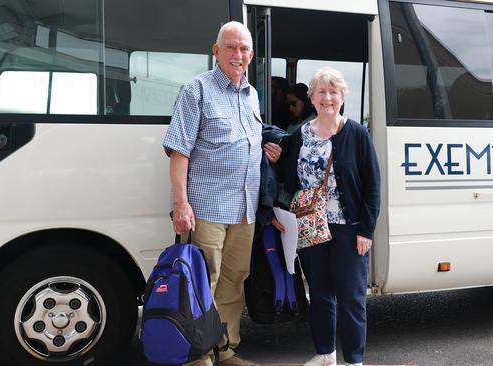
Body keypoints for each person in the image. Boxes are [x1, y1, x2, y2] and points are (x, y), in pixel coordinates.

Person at [163, 21, 280, 366]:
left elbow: (243, 141)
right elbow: (179, 152)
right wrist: (181, 203)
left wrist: (266, 148)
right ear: (216, 51)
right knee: (202, 284)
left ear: (251, 54)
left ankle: (224, 349)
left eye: (244, 49)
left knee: (233, 281)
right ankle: (197, 356)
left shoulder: (252, 94)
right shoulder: (195, 90)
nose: (238, 55)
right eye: (231, 47)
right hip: (206, 208)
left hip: (244, 208)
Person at [274, 67, 380, 366]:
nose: (328, 98)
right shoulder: (299, 136)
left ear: (343, 96)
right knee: (320, 296)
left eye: (334, 92)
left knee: (351, 299)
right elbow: (287, 180)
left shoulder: (357, 134)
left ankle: (354, 361)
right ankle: (325, 354)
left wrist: (367, 231)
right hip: (310, 228)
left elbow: (373, 185)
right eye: (321, 92)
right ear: (312, 98)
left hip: (348, 229)